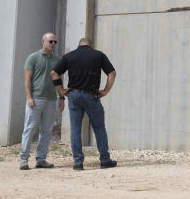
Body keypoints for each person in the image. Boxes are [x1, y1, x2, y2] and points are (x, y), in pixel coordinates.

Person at [51, 37, 117, 170]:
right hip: (91, 95)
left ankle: (78, 162)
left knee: (75, 129)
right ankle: (104, 160)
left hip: (74, 95)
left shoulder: (69, 56)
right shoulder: (98, 55)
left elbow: (54, 73)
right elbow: (112, 73)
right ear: (91, 45)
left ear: (79, 45)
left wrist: (61, 90)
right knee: (99, 128)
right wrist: (106, 90)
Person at [19, 32, 64, 170]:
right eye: (51, 41)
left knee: (46, 131)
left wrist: (61, 97)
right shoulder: (32, 58)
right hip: (36, 99)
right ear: (43, 42)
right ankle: (24, 160)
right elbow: (27, 80)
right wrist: (29, 97)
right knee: (30, 128)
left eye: (55, 42)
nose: (53, 44)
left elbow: (59, 80)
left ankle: (41, 159)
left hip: (51, 100)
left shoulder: (57, 61)